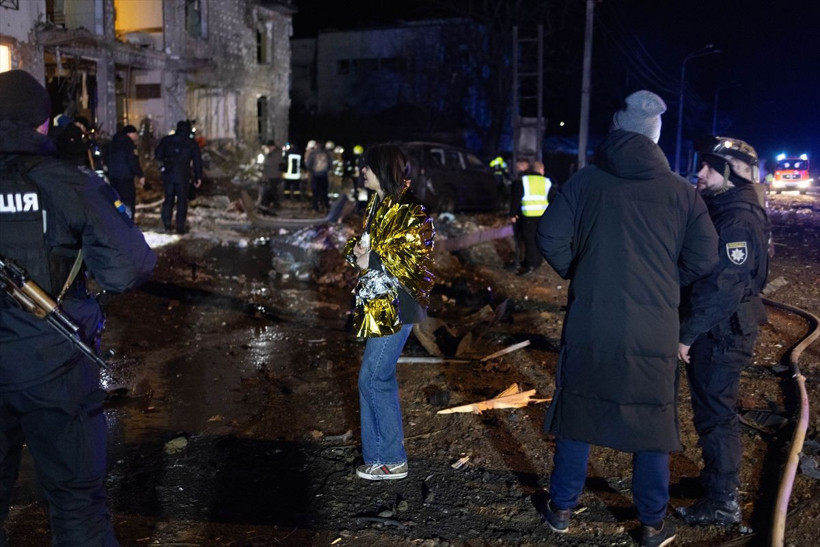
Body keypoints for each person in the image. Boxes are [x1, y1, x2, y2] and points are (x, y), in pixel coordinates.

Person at [534, 90, 719, 546]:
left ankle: (561, 509)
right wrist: (666, 281)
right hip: (655, 327)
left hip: (592, 318)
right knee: (651, 420)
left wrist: (580, 271)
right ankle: (652, 523)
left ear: (618, 129)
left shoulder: (585, 182)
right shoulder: (681, 192)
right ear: (656, 136)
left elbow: (549, 235)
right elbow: (705, 255)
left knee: (579, 409)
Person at [0, 69, 157, 546]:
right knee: (75, 506)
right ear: (43, 124)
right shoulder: (71, 184)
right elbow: (128, 269)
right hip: (56, 368)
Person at [675, 137, 770, 526]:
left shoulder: (736, 219)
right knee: (714, 411)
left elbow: (723, 286)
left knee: (716, 414)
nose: (700, 173)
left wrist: (687, 335)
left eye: (709, 167)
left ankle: (722, 501)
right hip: (722, 328)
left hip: (722, 332)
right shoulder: (729, 209)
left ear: (731, 173)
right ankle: (716, 483)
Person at [344, 144, 435, 481]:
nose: (362, 172)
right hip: (381, 303)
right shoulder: (379, 204)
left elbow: (414, 258)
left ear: (381, 170)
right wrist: (356, 253)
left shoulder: (411, 210)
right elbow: (372, 248)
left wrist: (374, 260)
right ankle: (384, 456)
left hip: (399, 305)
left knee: (373, 377)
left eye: (366, 167)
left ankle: (389, 459)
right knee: (375, 376)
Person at [154, 120, 203, 234]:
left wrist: (164, 165)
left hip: (168, 175)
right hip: (183, 175)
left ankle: (166, 223)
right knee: (182, 201)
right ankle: (180, 226)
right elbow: (197, 161)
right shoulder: (191, 143)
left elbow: (157, 154)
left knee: (168, 199)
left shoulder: (167, 140)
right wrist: (198, 177)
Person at [509, 157, 551, 276]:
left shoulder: (524, 181)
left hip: (529, 216)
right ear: (541, 170)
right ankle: (537, 261)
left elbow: (516, 198)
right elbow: (553, 199)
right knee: (538, 239)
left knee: (529, 240)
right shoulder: (547, 182)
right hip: (543, 217)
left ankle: (531, 264)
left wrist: (512, 214)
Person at [107, 124, 145, 218]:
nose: (137, 136)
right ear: (130, 134)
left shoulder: (112, 143)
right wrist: (140, 175)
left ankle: (117, 219)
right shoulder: (129, 145)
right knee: (127, 201)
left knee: (116, 200)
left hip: (113, 177)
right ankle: (128, 222)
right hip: (126, 178)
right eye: (136, 134)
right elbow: (133, 161)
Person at [306, 141, 332, 213]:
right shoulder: (326, 154)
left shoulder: (313, 153)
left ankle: (315, 208)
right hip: (324, 176)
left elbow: (308, 164)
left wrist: (312, 171)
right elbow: (330, 165)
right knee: (324, 192)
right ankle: (326, 207)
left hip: (315, 175)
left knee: (315, 193)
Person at [257, 140, 281, 211]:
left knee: (273, 190)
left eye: (269, 147)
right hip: (269, 175)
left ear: (273, 147)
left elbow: (273, 162)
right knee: (270, 189)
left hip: (274, 175)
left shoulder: (277, 153)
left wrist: (264, 162)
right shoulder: (270, 153)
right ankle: (268, 203)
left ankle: (276, 203)